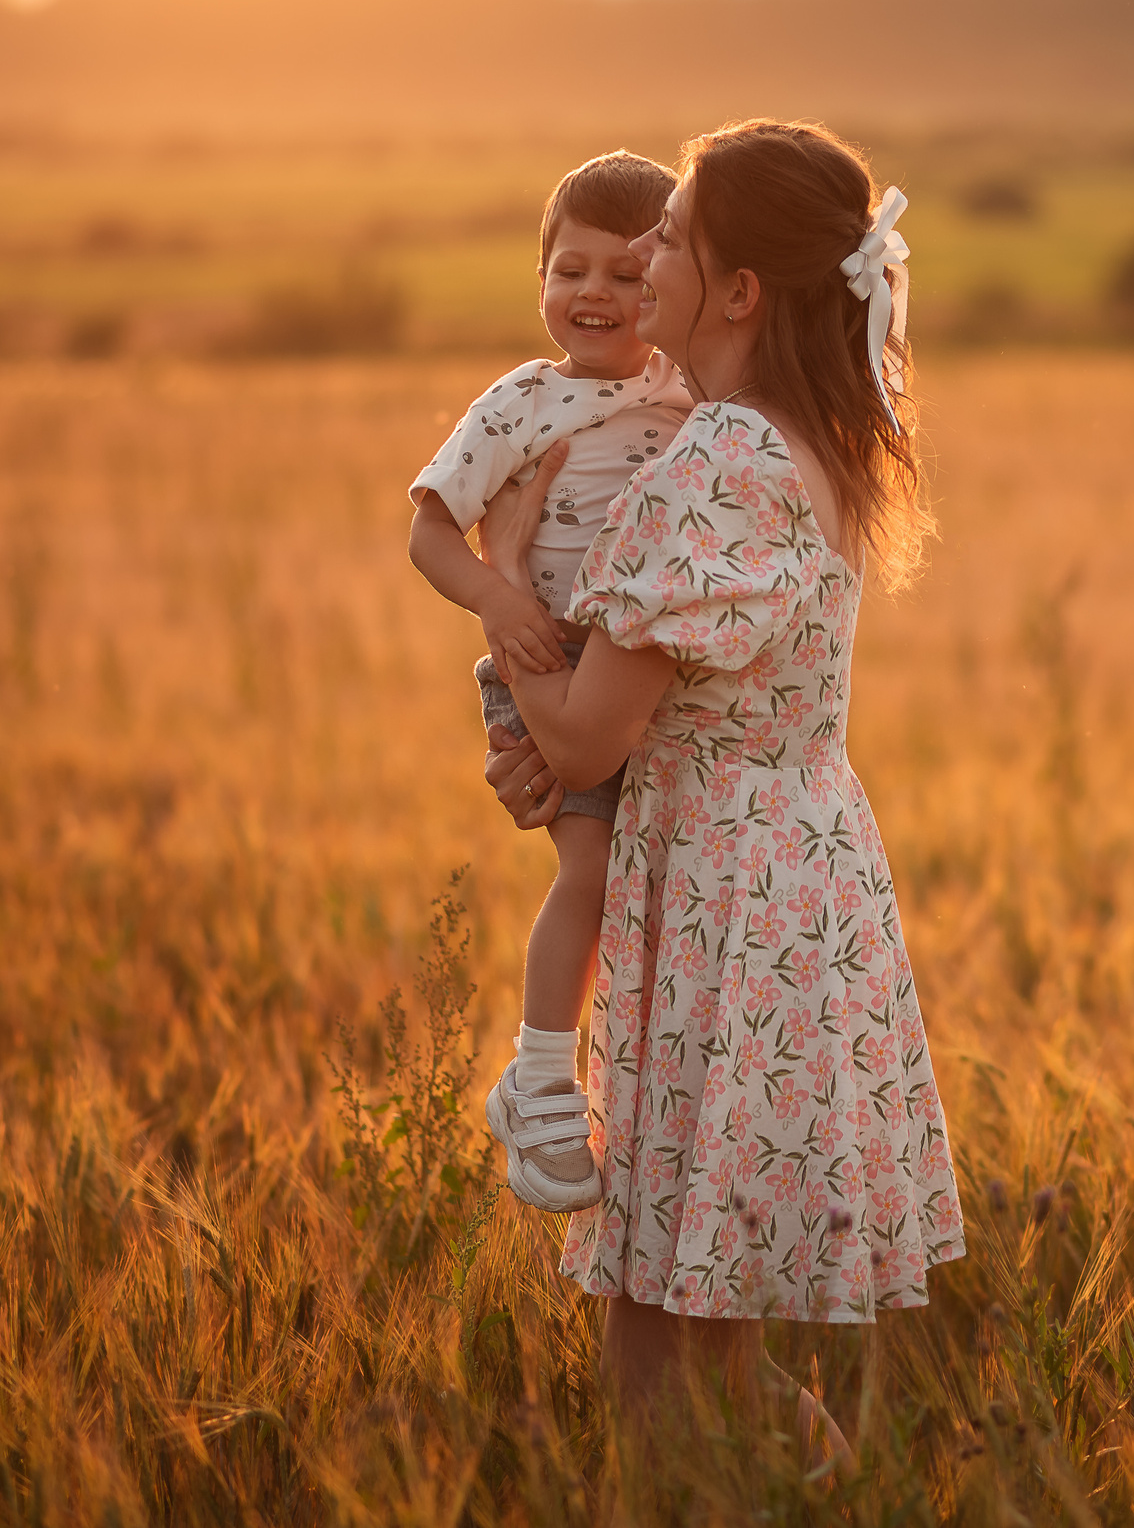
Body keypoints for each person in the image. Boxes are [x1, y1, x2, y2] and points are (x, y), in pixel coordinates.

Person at [477, 119, 965, 1463]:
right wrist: (565, 743)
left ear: (740, 290)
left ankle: (708, 1498)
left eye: (677, 236)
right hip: (793, 874)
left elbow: (582, 743)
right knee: (710, 1317)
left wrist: (507, 576)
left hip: (711, 892)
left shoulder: (717, 464)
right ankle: (823, 1493)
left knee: (656, 1306)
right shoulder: (809, 442)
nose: (644, 251)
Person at [407, 151, 693, 1213]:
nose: (595, 296)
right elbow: (428, 532)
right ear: (537, 279)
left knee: (651, 880)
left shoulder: (689, 387)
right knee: (593, 868)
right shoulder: (518, 403)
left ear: (670, 280)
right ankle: (538, 1074)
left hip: (642, 670)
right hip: (547, 660)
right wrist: (496, 598)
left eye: (627, 273)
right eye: (569, 269)